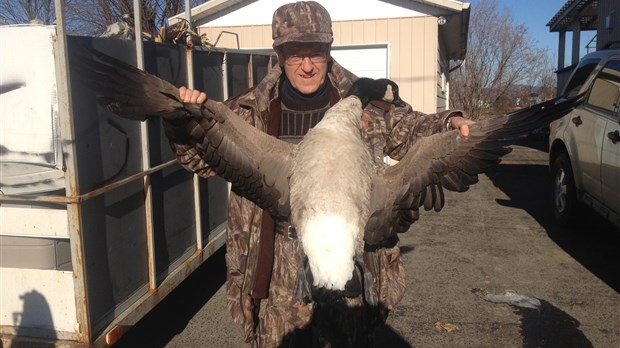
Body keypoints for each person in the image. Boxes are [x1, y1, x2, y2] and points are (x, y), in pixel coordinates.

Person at [176, 2, 473, 347]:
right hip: (275, 274)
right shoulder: (246, 111)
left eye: (315, 53)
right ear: (278, 54)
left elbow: (414, 128)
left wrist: (450, 123)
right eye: (294, 54)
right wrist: (184, 119)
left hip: (350, 262)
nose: (305, 65)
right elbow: (197, 161)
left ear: (328, 52)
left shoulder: (369, 109)